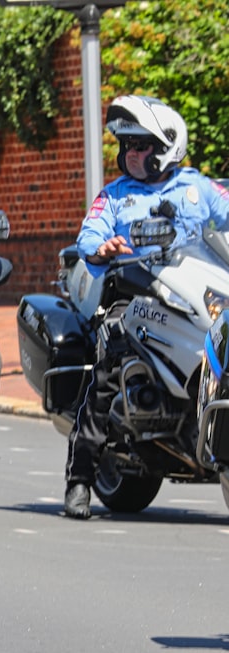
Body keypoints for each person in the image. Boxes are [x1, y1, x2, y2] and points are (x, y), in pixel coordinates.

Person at [63, 95, 229, 519]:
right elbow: (89, 235)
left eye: (141, 146)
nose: (131, 154)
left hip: (194, 293)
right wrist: (101, 248)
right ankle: (80, 479)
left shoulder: (196, 187)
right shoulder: (115, 196)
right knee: (108, 367)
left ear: (167, 147)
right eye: (127, 146)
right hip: (133, 296)